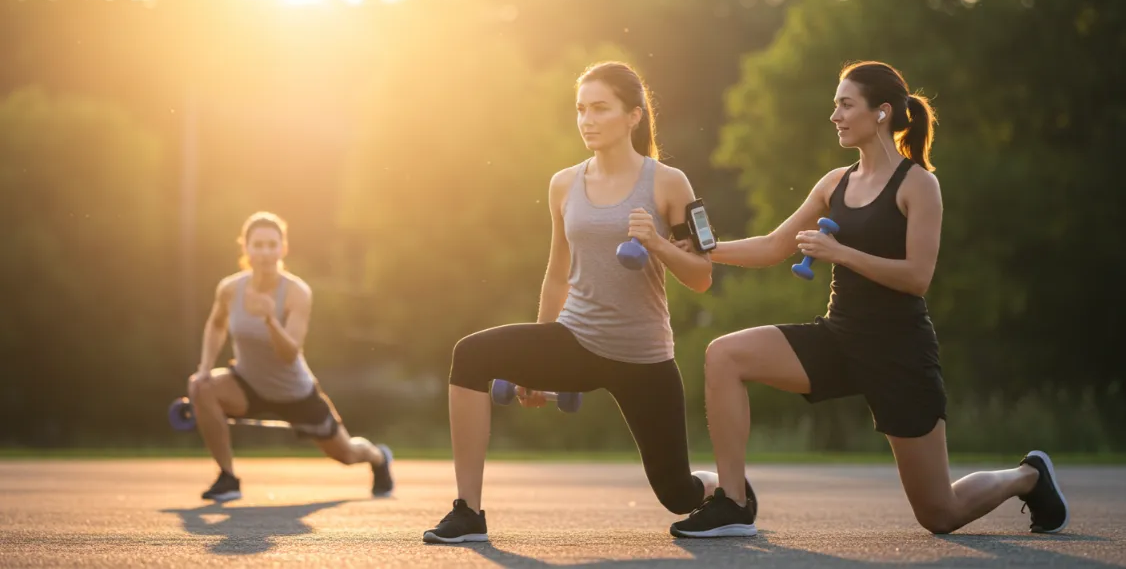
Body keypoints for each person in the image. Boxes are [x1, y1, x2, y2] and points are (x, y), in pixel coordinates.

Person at [669, 61, 1068, 538]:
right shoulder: (834, 183)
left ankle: (1029, 476)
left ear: (881, 113)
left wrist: (840, 253)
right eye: (835, 104)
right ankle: (732, 503)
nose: (834, 115)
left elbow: (917, 278)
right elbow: (775, 246)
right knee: (724, 355)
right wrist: (707, 250)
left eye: (845, 104)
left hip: (899, 352)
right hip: (839, 338)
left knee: (940, 514)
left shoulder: (919, 185)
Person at [422, 61, 753, 544]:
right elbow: (557, 273)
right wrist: (529, 370)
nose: (587, 120)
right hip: (576, 339)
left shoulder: (668, 183)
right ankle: (468, 511)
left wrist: (658, 244)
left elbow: (701, 277)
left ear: (634, 116)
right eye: (581, 110)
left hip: (643, 356)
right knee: (470, 355)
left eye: (601, 108)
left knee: (678, 495)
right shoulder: (563, 184)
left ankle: (727, 492)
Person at [187, 211, 394, 502]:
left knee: (346, 454)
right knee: (201, 387)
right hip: (248, 384)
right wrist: (205, 368)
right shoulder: (230, 289)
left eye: (272, 245)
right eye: (257, 245)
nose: (265, 252)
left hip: (295, 392)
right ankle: (228, 478)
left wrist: (270, 319)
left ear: (283, 249)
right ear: (245, 248)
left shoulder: (297, 292)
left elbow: (289, 354)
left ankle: (378, 457)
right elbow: (216, 324)